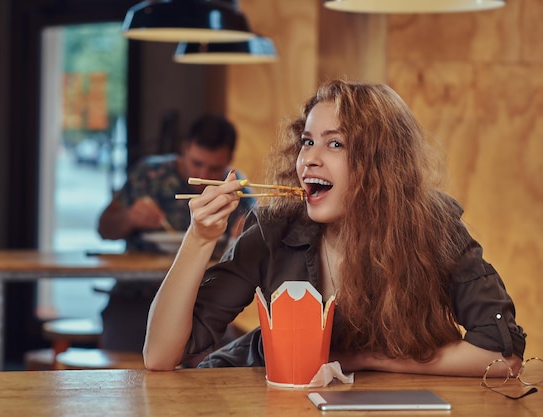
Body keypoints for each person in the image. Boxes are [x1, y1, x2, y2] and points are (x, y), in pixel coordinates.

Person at [142, 79, 526, 377]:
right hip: (251, 389)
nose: (309, 158)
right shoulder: (274, 228)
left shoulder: (435, 225)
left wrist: (361, 360)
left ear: (382, 163)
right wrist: (199, 238)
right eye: (307, 141)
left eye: (335, 144)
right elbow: (160, 356)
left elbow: (502, 356)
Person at [97, 113, 254, 352]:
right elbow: (104, 228)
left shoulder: (234, 187)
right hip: (136, 295)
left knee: (223, 362)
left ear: (229, 160)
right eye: (196, 164)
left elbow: (257, 238)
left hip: (202, 302)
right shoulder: (149, 174)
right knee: (125, 358)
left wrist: (247, 233)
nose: (204, 176)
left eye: (214, 168)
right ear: (184, 149)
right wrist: (129, 218)